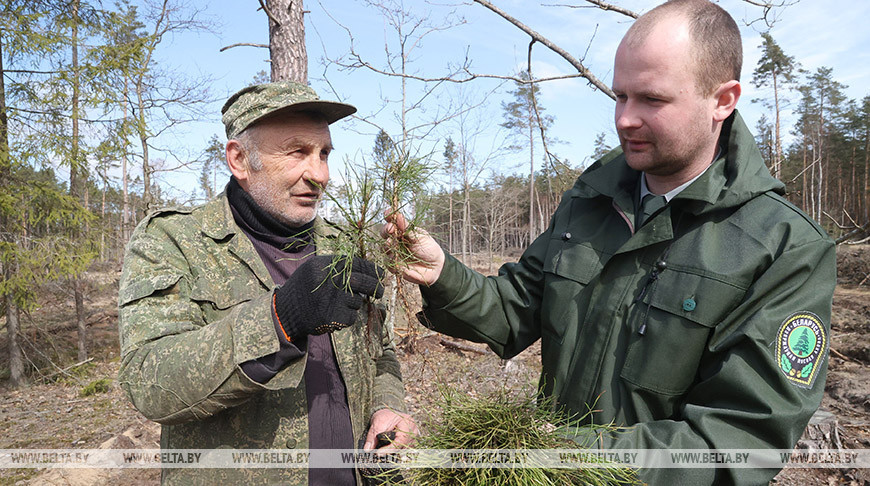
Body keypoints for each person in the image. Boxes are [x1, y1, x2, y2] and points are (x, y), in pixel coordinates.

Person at [383, 1, 835, 484]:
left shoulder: (784, 247)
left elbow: (735, 444)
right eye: (620, 96)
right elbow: (514, 310)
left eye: (652, 100)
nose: (624, 119)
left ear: (722, 100)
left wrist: (555, 455)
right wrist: (442, 274)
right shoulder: (594, 197)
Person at [118, 81, 415, 486]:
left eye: (324, 153)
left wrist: (387, 405)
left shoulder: (343, 245)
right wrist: (282, 317)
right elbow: (148, 382)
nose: (321, 174)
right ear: (239, 160)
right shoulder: (173, 241)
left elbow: (381, 352)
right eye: (298, 152)